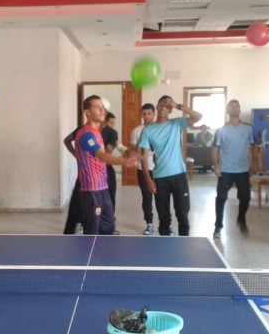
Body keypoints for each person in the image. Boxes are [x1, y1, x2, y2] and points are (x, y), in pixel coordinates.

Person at [138, 96, 202, 236]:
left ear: (170, 110)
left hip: (179, 176)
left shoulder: (177, 123)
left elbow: (198, 116)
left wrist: (178, 105)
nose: (163, 108)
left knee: (183, 216)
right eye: (161, 105)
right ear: (157, 107)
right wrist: (148, 180)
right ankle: (165, 245)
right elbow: (143, 158)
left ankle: (184, 243)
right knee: (164, 218)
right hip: (160, 178)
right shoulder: (148, 131)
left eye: (167, 106)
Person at [75, 96, 138, 235]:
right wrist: (123, 161)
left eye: (103, 107)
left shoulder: (97, 132)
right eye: (97, 107)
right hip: (91, 190)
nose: (102, 110)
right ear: (87, 112)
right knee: (93, 228)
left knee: (108, 226)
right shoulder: (86, 134)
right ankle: (90, 248)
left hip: (103, 187)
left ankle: (100, 247)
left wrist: (128, 154)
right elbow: (102, 156)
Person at [211, 100, 255, 239]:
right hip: (226, 170)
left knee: (245, 198)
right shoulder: (221, 131)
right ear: (228, 111)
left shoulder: (248, 129)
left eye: (237, 106)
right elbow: (215, 149)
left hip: (242, 170)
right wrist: (216, 166)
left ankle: (241, 219)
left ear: (239, 110)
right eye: (232, 107)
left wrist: (253, 165)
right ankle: (218, 227)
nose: (235, 109)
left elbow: (253, 146)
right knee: (221, 198)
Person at [130, 103, 156, 235]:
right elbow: (133, 151)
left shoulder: (160, 129)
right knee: (147, 197)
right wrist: (136, 157)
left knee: (162, 197)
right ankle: (149, 223)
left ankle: (166, 224)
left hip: (160, 169)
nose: (146, 116)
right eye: (144, 114)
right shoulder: (136, 131)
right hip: (143, 169)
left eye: (149, 113)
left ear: (154, 114)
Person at [62, 126, 83, 234]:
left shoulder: (106, 132)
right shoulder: (82, 130)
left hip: (98, 178)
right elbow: (66, 140)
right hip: (83, 177)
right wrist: (76, 155)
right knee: (76, 204)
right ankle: (70, 231)